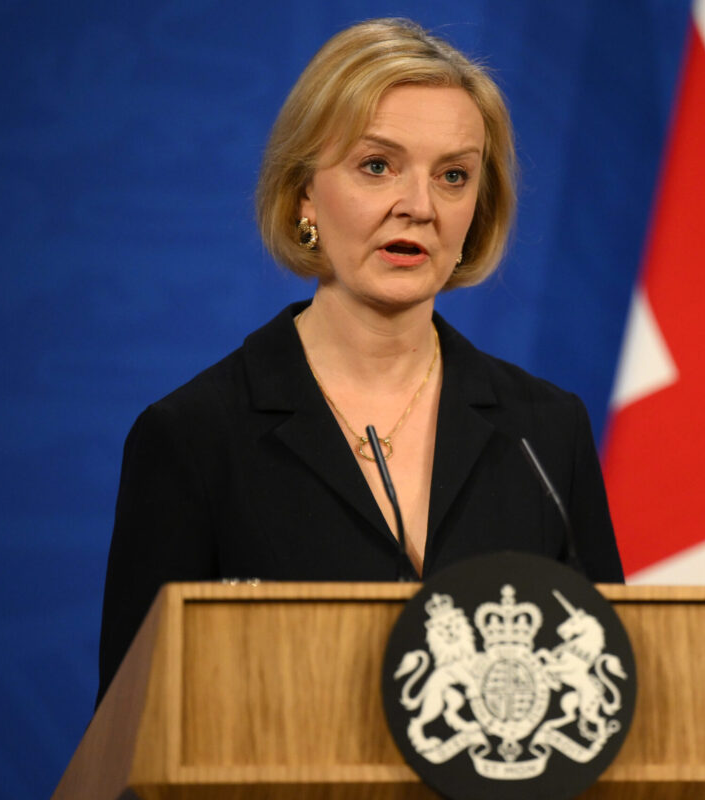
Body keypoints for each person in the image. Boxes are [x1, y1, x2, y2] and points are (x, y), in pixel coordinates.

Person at [97, 18, 623, 706]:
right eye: (378, 166)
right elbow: (135, 732)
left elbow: (604, 699)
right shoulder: (195, 438)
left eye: (454, 176)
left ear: (478, 209)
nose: (418, 206)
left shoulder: (545, 433)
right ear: (303, 194)